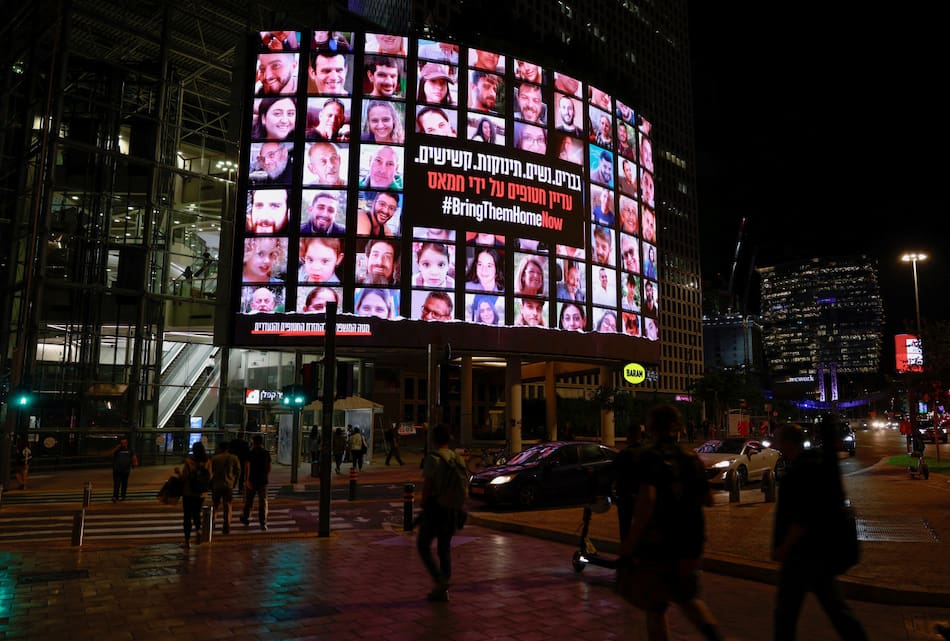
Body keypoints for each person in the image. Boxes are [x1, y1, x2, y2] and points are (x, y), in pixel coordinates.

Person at [618, 404, 725, 641]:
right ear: (677, 427)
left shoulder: (649, 457)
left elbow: (647, 501)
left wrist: (630, 543)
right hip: (690, 543)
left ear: (650, 427)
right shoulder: (691, 459)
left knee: (656, 608)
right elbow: (708, 500)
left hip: (659, 544)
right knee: (688, 598)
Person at [771, 422, 869, 641]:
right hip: (819, 551)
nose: (776, 445)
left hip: (801, 555)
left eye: (778, 441)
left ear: (788, 443)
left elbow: (802, 517)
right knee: (836, 609)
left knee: (786, 614)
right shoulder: (814, 463)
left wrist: (784, 547)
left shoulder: (798, 472)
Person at [417, 423, 464, 602]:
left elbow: (428, 485)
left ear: (434, 439)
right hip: (452, 510)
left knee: (423, 545)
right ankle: (443, 587)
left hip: (436, 509)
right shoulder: (457, 458)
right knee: (444, 549)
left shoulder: (433, 458)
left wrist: (423, 503)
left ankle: (439, 580)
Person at [612, 424, 643, 542]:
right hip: (641, 496)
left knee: (625, 528)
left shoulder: (625, 454)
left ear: (629, 436)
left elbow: (614, 472)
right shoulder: (647, 453)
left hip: (626, 497)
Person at [179, 441, 211, 548]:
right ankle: (198, 530)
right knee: (197, 513)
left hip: (188, 492)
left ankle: (187, 540)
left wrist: (178, 473)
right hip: (201, 493)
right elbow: (210, 476)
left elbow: (184, 477)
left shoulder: (189, 461)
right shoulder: (207, 461)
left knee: (187, 516)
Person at [240, 434, 271, 531]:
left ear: (253, 442)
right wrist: (265, 474)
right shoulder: (266, 453)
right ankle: (263, 522)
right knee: (263, 501)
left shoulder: (251, 453)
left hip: (252, 479)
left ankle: (246, 517)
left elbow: (248, 467)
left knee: (249, 500)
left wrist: (247, 480)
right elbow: (269, 467)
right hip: (263, 480)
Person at [210, 441, 241, 535]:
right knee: (227, 505)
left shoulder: (215, 458)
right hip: (228, 485)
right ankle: (226, 525)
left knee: (215, 505)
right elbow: (238, 471)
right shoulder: (234, 458)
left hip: (216, 485)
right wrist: (235, 482)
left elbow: (210, 472)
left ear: (220, 448)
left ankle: (212, 522)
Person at [109, 436, 137, 502]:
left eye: (124, 443)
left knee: (124, 484)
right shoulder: (117, 450)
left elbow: (134, 456)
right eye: (122, 443)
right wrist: (116, 448)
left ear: (127, 443)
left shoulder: (130, 450)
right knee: (117, 484)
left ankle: (123, 496)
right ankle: (115, 496)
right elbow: (110, 453)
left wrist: (134, 463)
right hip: (117, 470)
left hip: (126, 470)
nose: (123, 444)